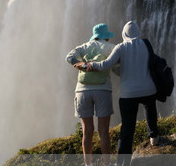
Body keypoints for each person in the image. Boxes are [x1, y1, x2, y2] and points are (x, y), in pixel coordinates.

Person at [80, 21, 159, 166]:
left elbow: (106, 64)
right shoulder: (146, 44)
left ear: (124, 34)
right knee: (149, 106)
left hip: (129, 93)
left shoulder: (120, 47)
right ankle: (154, 136)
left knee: (127, 129)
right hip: (148, 88)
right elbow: (153, 62)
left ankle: (122, 162)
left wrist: (88, 65)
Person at [66, 23, 118, 166]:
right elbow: (118, 67)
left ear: (94, 35)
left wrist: (83, 65)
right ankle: (106, 163)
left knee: (87, 130)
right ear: (106, 37)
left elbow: (69, 57)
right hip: (102, 90)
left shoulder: (84, 46)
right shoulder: (111, 47)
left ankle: (88, 164)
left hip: (82, 90)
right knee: (103, 131)